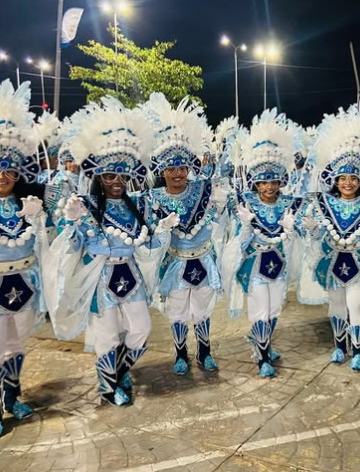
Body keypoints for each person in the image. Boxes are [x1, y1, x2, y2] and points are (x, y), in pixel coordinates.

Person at [45, 97, 177, 407]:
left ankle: (119, 370)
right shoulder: (86, 206)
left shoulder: (139, 205)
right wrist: (73, 223)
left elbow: (148, 245)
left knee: (141, 330)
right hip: (100, 279)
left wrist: (164, 229)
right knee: (106, 336)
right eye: (109, 176)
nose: (117, 182)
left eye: (122, 176)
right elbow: (74, 247)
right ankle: (110, 386)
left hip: (130, 276)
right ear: (99, 177)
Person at [299, 104, 360, 372]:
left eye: (353, 178)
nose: (348, 183)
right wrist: (310, 227)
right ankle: (340, 346)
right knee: (337, 307)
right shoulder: (323, 203)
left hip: (358, 263)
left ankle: (359, 351)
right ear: (335, 180)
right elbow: (317, 232)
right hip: (332, 263)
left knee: (357, 305)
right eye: (343, 178)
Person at [143, 93, 225, 375]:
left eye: (182, 167)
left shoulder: (203, 190)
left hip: (202, 261)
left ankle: (205, 352)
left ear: (189, 167)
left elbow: (223, 209)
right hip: (174, 264)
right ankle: (181, 354)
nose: (177, 173)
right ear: (161, 170)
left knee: (203, 310)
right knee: (177, 312)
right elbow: (147, 234)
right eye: (171, 168)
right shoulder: (151, 198)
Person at [222, 109, 301, 378]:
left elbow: (294, 236)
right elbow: (241, 242)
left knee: (275, 308)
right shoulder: (247, 204)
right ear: (255, 182)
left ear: (281, 182)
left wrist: (295, 228)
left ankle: (262, 341)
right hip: (254, 264)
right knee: (259, 310)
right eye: (263, 181)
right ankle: (263, 356)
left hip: (277, 263)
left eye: (273, 181)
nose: (268, 186)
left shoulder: (288, 204)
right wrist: (246, 224)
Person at [0, 80, 49, 434]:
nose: (4, 177)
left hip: (23, 283)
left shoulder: (25, 204)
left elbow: (43, 244)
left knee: (16, 345)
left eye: (10, 170)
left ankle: (11, 396)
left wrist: (38, 218)